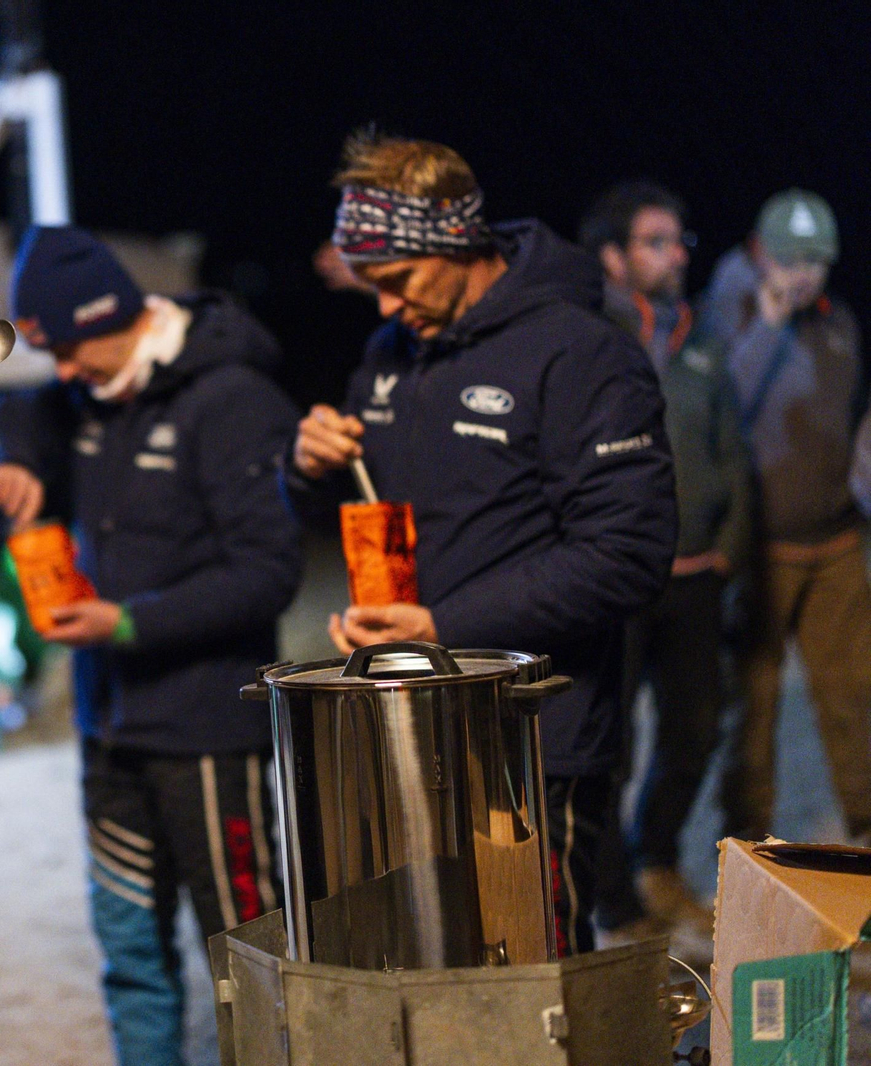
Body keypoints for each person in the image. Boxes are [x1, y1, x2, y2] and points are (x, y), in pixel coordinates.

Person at [282, 133, 678, 955]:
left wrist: (442, 627)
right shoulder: (392, 352)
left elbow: (628, 553)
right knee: (421, 974)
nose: (385, 307)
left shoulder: (582, 351)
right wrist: (311, 469)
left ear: (455, 241)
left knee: (524, 984)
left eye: (396, 280)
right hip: (404, 725)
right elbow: (361, 512)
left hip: (534, 740)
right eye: (371, 286)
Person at [0, 225, 301, 1065]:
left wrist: (126, 622)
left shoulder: (231, 399)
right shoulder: (81, 394)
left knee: (248, 962)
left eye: (71, 349)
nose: (65, 373)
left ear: (110, 313)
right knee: (130, 956)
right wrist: (7, 460)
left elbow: (269, 574)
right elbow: (0, 417)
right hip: (109, 734)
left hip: (208, 739)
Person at [579, 181, 751, 941]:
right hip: (617, 583)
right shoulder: (585, 335)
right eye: (657, 240)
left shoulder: (703, 336)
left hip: (694, 577)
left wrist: (730, 551)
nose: (677, 253)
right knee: (605, 746)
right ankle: (613, 896)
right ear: (613, 255)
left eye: (679, 240)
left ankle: (657, 858)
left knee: (695, 732)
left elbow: (733, 452)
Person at [699, 188, 871, 846]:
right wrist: (765, 330)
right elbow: (719, 411)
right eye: (790, 259)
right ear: (758, 254)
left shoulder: (837, 322)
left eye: (816, 260)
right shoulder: (724, 316)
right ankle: (746, 848)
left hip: (835, 545)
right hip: (760, 553)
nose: (803, 273)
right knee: (755, 708)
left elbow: (848, 417)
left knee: (852, 697)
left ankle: (866, 831)